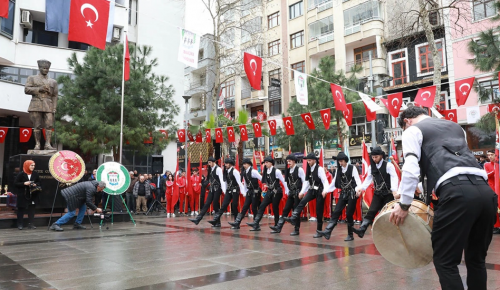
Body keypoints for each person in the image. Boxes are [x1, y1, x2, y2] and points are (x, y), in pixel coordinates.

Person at [390, 106, 496, 290]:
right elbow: (454, 162)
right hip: (486, 193)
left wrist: (404, 204)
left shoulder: (412, 131)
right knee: (476, 260)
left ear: (406, 121)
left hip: (457, 193)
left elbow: (410, 168)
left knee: (445, 261)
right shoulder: (456, 127)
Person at [351, 147, 399, 238]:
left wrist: (394, 190)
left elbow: (394, 177)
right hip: (378, 193)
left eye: (376, 157)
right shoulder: (371, 167)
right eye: (372, 157)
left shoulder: (388, 165)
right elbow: (368, 179)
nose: (374, 159)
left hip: (388, 194)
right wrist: (361, 188)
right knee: (371, 211)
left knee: (387, 213)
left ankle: (392, 233)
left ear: (381, 156)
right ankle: (362, 230)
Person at [316, 152, 362, 241]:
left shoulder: (352, 168)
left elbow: (358, 180)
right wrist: (326, 190)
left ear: (345, 160)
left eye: (341, 161)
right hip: (343, 193)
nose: (340, 163)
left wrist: (358, 189)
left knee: (349, 214)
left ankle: (350, 235)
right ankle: (327, 231)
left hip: (352, 193)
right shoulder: (338, 170)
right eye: (339, 161)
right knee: (336, 211)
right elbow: (333, 183)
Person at [283, 153, 329, 237]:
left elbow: (325, 181)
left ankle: (319, 230)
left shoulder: (319, 169)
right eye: (307, 160)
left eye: (310, 160)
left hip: (319, 191)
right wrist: (302, 192)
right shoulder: (308, 168)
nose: (308, 162)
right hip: (311, 190)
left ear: (314, 160)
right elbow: (307, 182)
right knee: (302, 201)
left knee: (319, 211)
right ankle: (294, 216)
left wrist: (325, 190)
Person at [247, 156, 289, 231]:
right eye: (264, 163)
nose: (265, 164)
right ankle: (256, 222)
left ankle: (277, 226)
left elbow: (283, 181)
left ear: (271, 163)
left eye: (266, 162)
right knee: (262, 206)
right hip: (269, 192)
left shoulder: (277, 171)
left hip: (277, 192)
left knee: (275, 208)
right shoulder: (266, 171)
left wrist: (287, 190)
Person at [24, 59, 58, 150]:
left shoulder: (53, 82)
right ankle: (37, 144)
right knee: (37, 125)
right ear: (39, 68)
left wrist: (54, 107)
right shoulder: (32, 78)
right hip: (36, 103)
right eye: (44, 68)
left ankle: (47, 144)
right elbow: (27, 89)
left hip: (48, 105)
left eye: (47, 68)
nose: (46, 70)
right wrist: (39, 89)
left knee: (49, 125)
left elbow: (55, 96)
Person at [270, 155, 305, 235]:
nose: (288, 163)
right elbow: (287, 182)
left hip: (298, 192)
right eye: (287, 161)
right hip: (291, 193)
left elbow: (304, 181)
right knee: (285, 209)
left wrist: (302, 192)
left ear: (294, 161)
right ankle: (279, 227)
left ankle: (296, 229)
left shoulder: (299, 170)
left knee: (296, 211)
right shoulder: (288, 170)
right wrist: (287, 191)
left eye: (289, 161)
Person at [208, 158, 246, 227]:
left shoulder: (235, 171)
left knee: (234, 206)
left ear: (231, 164)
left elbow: (239, 183)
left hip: (235, 190)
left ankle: (236, 223)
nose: (225, 165)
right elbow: (224, 181)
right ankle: (216, 220)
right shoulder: (225, 171)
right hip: (228, 190)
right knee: (223, 206)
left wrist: (243, 192)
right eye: (225, 163)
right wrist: (224, 190)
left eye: (227, 163)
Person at [189, 157, 226, 225]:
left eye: (209, 162)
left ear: (213, 162)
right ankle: (198, 219)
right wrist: (204, 183)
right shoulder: (210, 169)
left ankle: (217, 222)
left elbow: (221, 180)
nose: (208, 164)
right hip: (211, 188)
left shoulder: (218, 169)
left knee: (215, 204)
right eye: (208, 163)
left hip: (217, 189)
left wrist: (224, 190)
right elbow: (208, 179)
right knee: (207, 203)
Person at [228, 158, 262, 229]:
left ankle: (256, 224)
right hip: (249, 192)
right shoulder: (244, 172)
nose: (244, 165)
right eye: (243, 164)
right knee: (244, 207)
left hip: (255, 191)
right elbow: (245, 184)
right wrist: (245, 191)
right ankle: (237, 223)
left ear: (249, 164)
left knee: (254, 208)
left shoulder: (253, 171)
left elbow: (261, 178)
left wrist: (264, 186)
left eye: (245, 164)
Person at [14, 160, 41, 230]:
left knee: (31, 210)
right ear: (27, 165)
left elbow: (39, 182)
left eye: (34, 165)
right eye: (31, 165)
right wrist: (24, 183)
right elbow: (15, 183)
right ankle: (20, 224)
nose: (33, 167)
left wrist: (36, 184)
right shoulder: (21, 174)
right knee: (21, 209)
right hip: (23, 194)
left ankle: (31, 224)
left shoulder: (35, 174)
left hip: (32, 194)